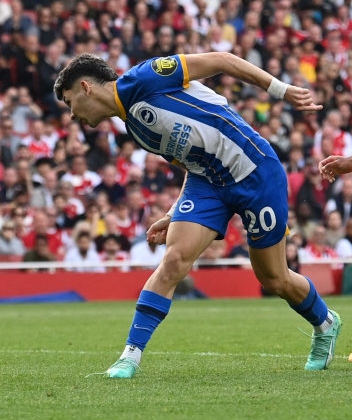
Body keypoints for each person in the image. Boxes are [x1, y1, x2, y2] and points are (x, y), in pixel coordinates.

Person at [54, 51, 339, 378]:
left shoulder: (147, 76)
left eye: (69, 102)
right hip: (209, 184)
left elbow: (220, 59)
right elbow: (192, 162)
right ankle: (129, 356)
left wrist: (279, 89)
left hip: (255, 171)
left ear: (86, 88)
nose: (72, 114)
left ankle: (326, 322)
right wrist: (173, 212)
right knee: (174, 259)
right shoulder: (136, 130)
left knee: (274, 278)